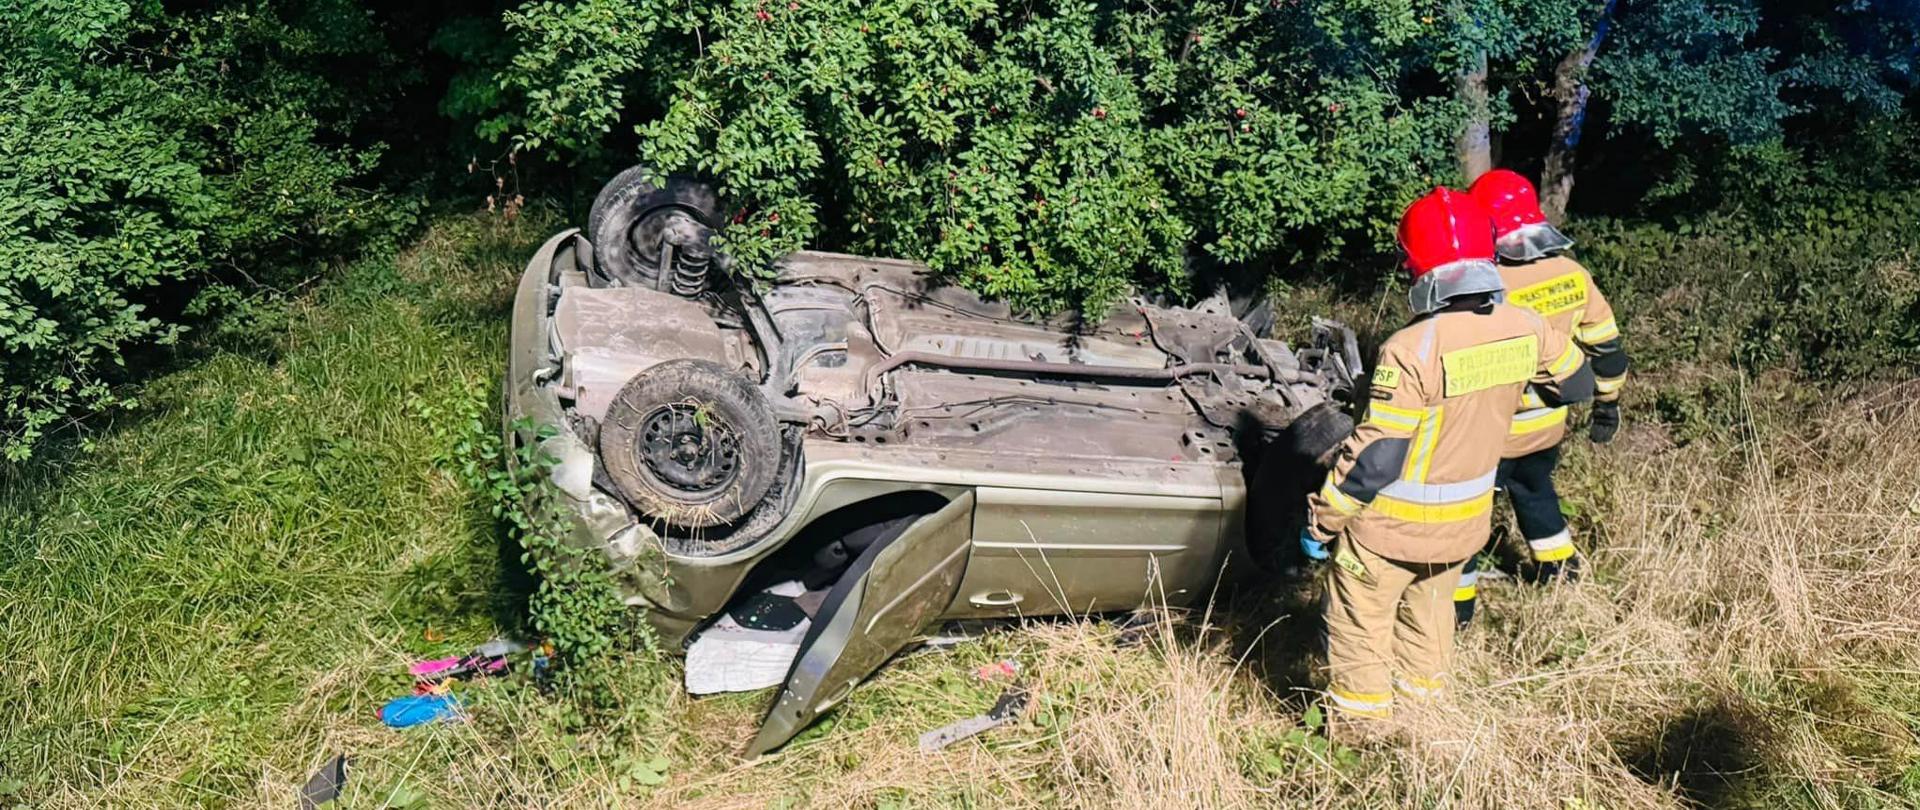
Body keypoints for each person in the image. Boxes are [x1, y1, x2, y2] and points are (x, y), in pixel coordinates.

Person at [1301, 187, 1594, 720]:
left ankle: (1363, 744)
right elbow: (1577, 385)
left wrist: (1324, 521)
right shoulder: (1525, 325)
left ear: (1417, 265)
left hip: (1390, 531)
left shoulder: (1411, 349)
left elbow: (1379, 457)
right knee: (1429, 627)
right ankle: (1426, 728)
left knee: (1360, 630)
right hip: (1464, 529)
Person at [1451, 169, 1630, 626]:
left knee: (1469, 516)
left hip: (1493, 433)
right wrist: (1607, 406)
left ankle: (1458, 608)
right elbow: (1607, 347)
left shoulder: (1488, 286)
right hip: (1549, 425)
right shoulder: (1573, 275)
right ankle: (1562, 573)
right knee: (1536, 493)